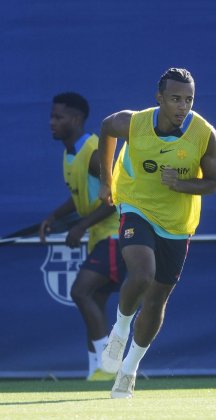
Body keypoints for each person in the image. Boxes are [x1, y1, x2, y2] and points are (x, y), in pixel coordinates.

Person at [98, 68, 216, 398]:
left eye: (189, 99)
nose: (183, 106)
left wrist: (181, 185)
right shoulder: (133, 123)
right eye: (175, 99)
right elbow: (106, 129)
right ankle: (120, 331)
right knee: (141, 274)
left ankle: (130, 369)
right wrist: (106, 180)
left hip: (177, 224)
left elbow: (213, 182)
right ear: (159, 98)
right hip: (136, 205)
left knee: (157, 298)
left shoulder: (204, 133)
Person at [40, 92, 127, 381]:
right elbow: (79, 196)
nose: (52, 122)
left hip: (115, 236)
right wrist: (54, 217)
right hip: (101, 237)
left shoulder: (92, 152)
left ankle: (109, 367)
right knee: (95, 301)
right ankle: (97, 373)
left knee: (80, 292)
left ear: (76, 119)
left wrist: (78, 226)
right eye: (52, 116)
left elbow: (113, 197)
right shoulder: (70, 153)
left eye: (58, 117)